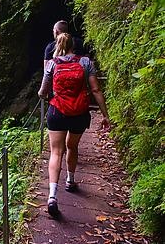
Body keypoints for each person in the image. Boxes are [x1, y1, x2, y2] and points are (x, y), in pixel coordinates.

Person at [38, 33, 111, 217]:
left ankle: (52, 196)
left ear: (58, 44)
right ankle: (70, 180)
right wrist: (105, 115)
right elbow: (95, 89)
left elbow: (42, 91)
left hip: (57, 112)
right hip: (79, 113)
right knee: (72, 146)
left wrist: (46, 94)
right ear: (74, 45)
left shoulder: (52, 64)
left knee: (56, 152)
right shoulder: (86, 62)